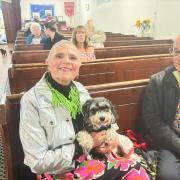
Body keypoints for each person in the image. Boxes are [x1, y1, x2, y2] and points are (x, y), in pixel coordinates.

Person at [20, 40, 150, 179]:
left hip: (93, 158)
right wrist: (84, 146)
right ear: (48, 61)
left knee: (139, 168)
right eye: (59, 56)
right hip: (59, 172)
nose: (66, 61)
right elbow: (37, 161)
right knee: (134, 171)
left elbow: (99, 122)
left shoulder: (80, 89)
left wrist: (108, 139)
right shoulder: (32, 100)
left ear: (79, 65)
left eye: (73, 57)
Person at [142, 35, 180, 180]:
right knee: (169, 176)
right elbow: (152, 120)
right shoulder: (158, 81)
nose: (178, 57)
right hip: (170, 141)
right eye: (175, 52)